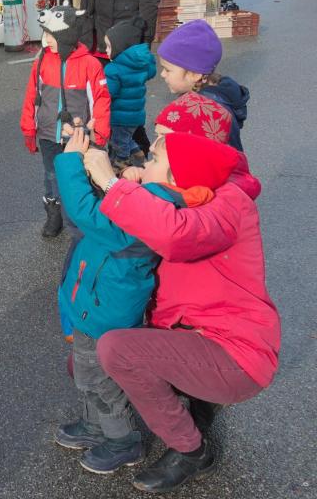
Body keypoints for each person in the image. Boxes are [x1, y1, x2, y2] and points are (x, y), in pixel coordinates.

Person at [82, 135, 280, 494]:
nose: (143, 166)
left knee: (116, 351)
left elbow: (175, 235)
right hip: (197, 336)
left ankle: (191, 451)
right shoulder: (189, 198)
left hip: (236, 356)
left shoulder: (226, 207)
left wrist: (112, 184)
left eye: (152, 159)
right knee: (90, 358)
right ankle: (197, 405)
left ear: (181, 174)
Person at [53, 130, 188, 475]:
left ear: (175, 180)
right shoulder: (151, 198)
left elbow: (90, 216)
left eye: (154, 160)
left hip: (105, 313)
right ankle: (94, 425)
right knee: (86, 373)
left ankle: (123, 441)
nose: (144, 161)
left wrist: (70, 163)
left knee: (100, 382)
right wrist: (116, 177)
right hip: (95, 303)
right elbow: (111, 206)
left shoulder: (153, 211)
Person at [20, 4, 111, 238]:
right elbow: (32, 95)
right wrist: (29, 129)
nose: (45, 40)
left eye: (50, 35)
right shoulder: (41, 62)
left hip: (78, 136)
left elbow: (101, 100)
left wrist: (99, 135)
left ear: (66, 36)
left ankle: (81, 216)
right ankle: (54, 212)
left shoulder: (90, 64)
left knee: (80, 175)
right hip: (49, 133)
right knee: (51, 175)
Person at [156, 19, 249, 151]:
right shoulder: (216, 97)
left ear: (195, 74)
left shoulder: (205, 112)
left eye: (167, 69)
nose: (162, 74)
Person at [103, 16, 155, 167]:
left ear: (120, 46)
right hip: (136, 115)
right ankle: (136, 151)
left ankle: (122, 163)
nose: (106, 50)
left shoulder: (113, 69)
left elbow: (108, 94)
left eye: (108, 46)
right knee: (126, 137)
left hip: (120, 117)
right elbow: (151, 71)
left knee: (118, 142)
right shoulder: (141, 65)